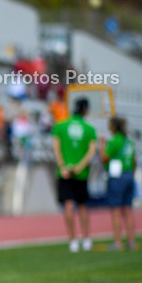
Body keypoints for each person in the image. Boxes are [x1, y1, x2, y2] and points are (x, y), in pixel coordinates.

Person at [51, 98, 97, 252]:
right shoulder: (89, 129)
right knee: (83, 206)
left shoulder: (60, 126)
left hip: (64, 173)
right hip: (81, 174)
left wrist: (63, 167)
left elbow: (56, 148)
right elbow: (91, 151)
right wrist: (79, 167)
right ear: (85, 109)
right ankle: (86, 238)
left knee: (68, 205)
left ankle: (72, 240)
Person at [102, 116, 137, 251]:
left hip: (117, 177)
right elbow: (135, 161)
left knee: (116, 210)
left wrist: (102, 143)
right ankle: (131, 240)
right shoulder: (129, 142)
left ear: (114, 127)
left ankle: (117, 242)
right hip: (129, 174)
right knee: (128, 209)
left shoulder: (115, 141)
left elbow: (104, 158)